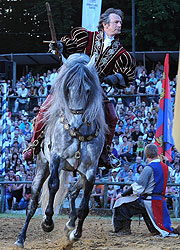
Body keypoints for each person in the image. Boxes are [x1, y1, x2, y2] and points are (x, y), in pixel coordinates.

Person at [22, 7, 135, 163]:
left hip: (94, 87)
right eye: (116, 22)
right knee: (44, 109)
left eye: (120, 22)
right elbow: (67, 48)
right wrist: (59, 47)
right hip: (73, 83)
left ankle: (105, 153)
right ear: (105, 25)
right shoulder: (87, 37)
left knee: (112, 117)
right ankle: (33, 146)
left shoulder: (121, 53)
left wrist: (113, 78)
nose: (119, 25)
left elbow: (125, 76)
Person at [113, 144, 180, 236]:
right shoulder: (166, 168)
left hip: (148, 201)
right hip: (160, 201)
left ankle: (123, 230)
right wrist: (166, 162)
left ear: (146, 155)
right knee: (158, 229)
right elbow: (170, 171)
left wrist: (123, 194)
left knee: (121, 203)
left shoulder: (149, 168)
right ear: (157, 154)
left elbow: (138, 187)